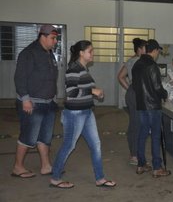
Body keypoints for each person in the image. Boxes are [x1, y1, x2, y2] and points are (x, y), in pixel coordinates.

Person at [50, 40, 116, 189]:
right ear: (81, 53)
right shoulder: (73, 68)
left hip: (86, 112)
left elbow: (82, 89)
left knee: (96, 145)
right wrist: (92, 91)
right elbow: (71, 92)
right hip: (75, 114)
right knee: (69, 145)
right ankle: (55, 178)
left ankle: (100, 178)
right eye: (90, 51)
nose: (93, 54)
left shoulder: (83, 68)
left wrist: (95, 92)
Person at [12, 25, 59, 178]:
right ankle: (18, 167)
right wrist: (25, 99)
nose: (55, 41)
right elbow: (19, 78)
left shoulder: (49, 53)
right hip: (32, 103)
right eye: (53, 38)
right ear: (43, 37)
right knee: (28, 136)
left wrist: (54, 96)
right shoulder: (28, 53)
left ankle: (46, 166)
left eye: (56, 38)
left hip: (48, 102)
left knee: (45, 137)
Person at [132, 39, 171, 178]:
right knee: (155, 135)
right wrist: (165, 94)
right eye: (158, 51)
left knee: (142, 134)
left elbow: (135, 86)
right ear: (154, 51)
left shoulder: (136, 64)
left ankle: (141, 164)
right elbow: (157, 87)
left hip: (141, 104)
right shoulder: (152, 65)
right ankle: (157, 167)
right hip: (153, 106)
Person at [117, 38, 147, 165]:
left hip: (132, 93)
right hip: (136, 95)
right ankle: (134, 155)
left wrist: (129, 87)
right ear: (140, 49)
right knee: (136, 125)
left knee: (134, 123)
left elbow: (120, 76)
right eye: (146, 48)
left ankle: (134, 153)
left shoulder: (130, 60)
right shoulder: (139, 61)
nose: (148, 51)